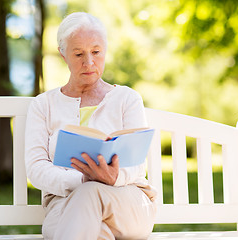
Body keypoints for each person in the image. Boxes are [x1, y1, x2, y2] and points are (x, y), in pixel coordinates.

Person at [25, 12, 156, 240]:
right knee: (96, 230)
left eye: (96, 52)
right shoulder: (43, 105)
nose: (89, 62)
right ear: (63, 55)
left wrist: (112, 177)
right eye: (78, 54)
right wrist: (82, 179)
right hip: (64, 204)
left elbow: (138, 165)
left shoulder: (127, 99)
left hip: (126, 204)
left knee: (90, 194)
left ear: (105, 49)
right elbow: (37, 169)